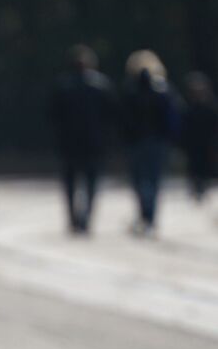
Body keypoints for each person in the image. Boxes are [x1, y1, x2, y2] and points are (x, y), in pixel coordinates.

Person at [46, 45, 115, 234]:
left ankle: (74, 218)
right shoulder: (101, 86)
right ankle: (86, 217)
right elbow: (110, 116)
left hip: (69, 143)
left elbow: (53, 116)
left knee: (71, 183)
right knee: (91, 183)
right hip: (94, 143)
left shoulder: (63, 86)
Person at [119, 50, 178, 235]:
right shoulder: (163, 89)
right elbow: (173, 118)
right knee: (154, 180)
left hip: (136, 142)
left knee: (139, 181)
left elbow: (123, 119)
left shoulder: (130, 90)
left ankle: (145, 215)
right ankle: (150, 217)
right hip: (158, 142)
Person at [179, 72, 218, 203]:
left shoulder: (210, 105)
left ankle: (202, 187)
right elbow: (184, 125)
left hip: (207, 143)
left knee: (205, 167)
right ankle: (197, 187)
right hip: (192, 143)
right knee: (194, 167)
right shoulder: (188, 106)